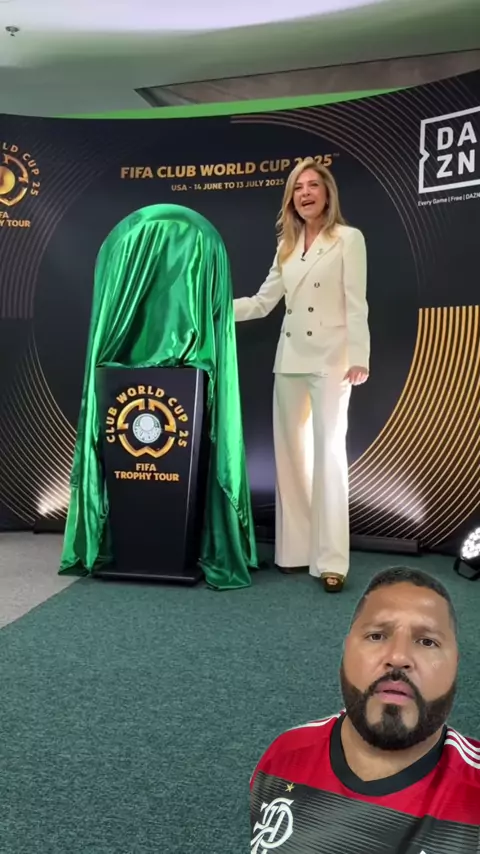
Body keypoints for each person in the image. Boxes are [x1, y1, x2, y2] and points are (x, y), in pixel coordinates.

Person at [250, 567, 480, 853]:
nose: (398, 657)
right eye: (376, 636)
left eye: (427, 641)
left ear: (455, 664)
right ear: (346, 649)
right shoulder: (283, 757)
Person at [233, 157, 369, 592]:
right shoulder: (286, 247)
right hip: (289, 359)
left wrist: (359, 355)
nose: (305, 193)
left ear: (327, 193)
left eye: (313, 185)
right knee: (291, 458)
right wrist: (212, 308)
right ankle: (294, 552)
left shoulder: (348, 239)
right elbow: (262, 302)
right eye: (298, 187)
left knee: (329, 456)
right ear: (291, 198)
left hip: (331, 359)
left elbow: (356, 302)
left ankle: (332, 561)